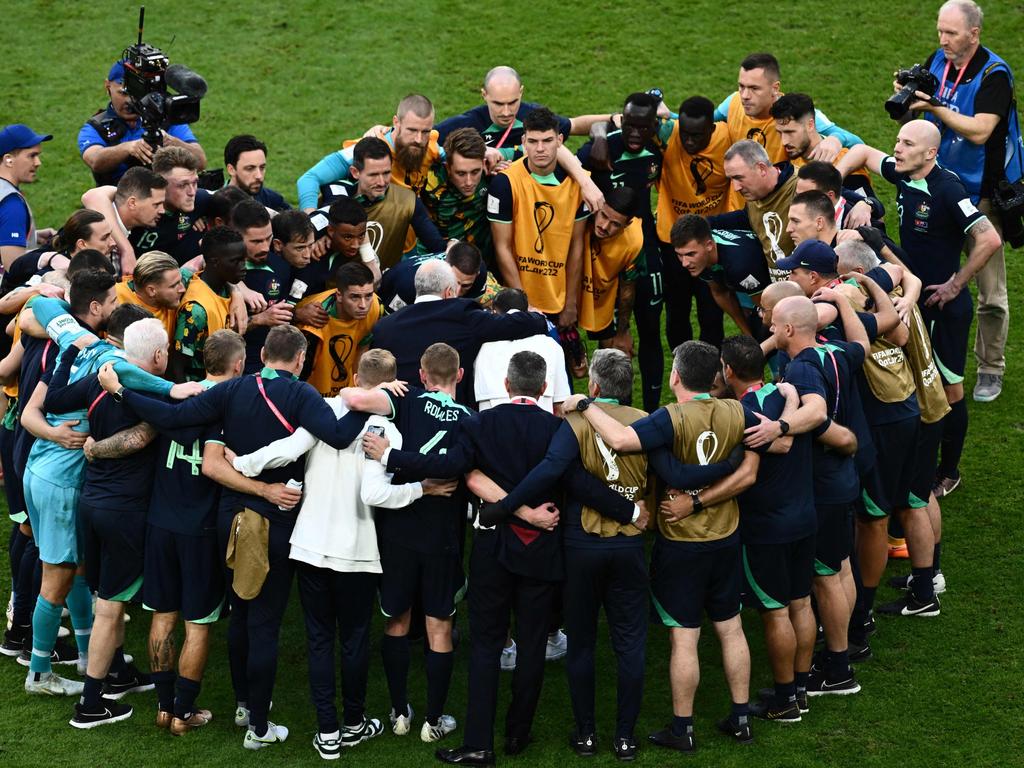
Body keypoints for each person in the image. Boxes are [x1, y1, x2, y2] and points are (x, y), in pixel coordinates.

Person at [94, 324, 394, 750]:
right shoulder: (303, 394)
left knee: (241, 614)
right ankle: (258, 724)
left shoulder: (233, 390)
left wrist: (123, 393)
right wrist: (370, 403)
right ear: (301, 359)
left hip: (228, 517)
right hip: (276, 518)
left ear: (262, 355)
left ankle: (241, 703)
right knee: (266, 624)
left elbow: (173, 417)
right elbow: (343, 436)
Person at [495, 349, 739, 758]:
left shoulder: (574, 422)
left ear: (592, 387)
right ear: (627, 387)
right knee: (630, 644)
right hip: (630, 547)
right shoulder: (647, 421)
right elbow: (672, 475)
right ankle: (625, 737)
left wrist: (505, 506)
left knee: (584, 642)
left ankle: (586, 733)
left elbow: (552, 471)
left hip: (582, 547)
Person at [363, 351, 601, 765]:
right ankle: (517, 734)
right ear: (544, 389)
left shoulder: (479, 423)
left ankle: (478, 742)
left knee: (487, 645)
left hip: (492, 548)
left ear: (506, 386)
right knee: (531, 645)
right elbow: (576, 483)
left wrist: (389, 457)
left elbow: (452, 467)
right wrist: (630, 510)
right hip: (542, 549)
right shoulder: (559, 430)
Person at [230, 349, 454, 758]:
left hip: (310, 547)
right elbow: (375, 493)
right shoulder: (388, 429)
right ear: (394, 385)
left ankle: (328, 732)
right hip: (358, 554)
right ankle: (353, 723)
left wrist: (242, 463)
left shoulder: (323, 410)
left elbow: (284, 450)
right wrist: (422, 488)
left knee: (319, 641)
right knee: (352, 642)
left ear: (354, 376)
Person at [562, 341, 760, 752]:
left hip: (681, 544)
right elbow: (776, 440)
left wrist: (583, 403)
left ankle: (682, 728)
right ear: (717, 377)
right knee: (731, 627)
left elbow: (618, 439)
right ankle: (741, 717)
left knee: (685, 638)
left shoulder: (668, 418)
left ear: (675, 376)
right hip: (726, 538)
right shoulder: (738, 412)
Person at [19, 281, 194, 698]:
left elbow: (41, 306)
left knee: (78, 570)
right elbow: (134, 376)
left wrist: (49, 290)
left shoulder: (81, 342)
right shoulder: (115, 362)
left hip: (40, 469)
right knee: (56, 578)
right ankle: (40, 672)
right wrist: (173, 389)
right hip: (62, 481)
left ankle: (87, 656)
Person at [837, 120, 1001, 498]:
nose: (897, 148)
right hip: (911, 296)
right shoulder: (904, 173)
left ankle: (949, 470)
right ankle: (916, 461)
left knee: (949, 389)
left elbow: (989, 237)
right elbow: (861, 152)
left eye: (907, 144)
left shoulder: (947, 189)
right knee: (917, 382)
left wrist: (956, 284)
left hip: (944, 308)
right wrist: (837, 178)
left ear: (930, 153)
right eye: (897, 140)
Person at [43, 317, 170, 728]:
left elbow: (55, 401)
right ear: (157, 355)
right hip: (124, 511)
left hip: (92, 504)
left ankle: (116, 673)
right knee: (111, 608)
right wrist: (98, 450)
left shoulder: (103, 376)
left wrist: (64, 354)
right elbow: (141, 437)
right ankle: (91, 703)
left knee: (104, 596)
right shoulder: (148, 394)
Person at [747, 295, 867, 696]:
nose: (767, 327)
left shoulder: (800, 367)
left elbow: (815, 414)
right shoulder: (833, 352)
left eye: (772, 322)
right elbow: (863, 347)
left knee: (827, 577)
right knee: (841, 566)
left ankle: (837, 667)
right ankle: (846, 649)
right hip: (843, 478)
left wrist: (780, 427)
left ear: (788, 330)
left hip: (824, 483)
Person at [908, 0, 1022, 402]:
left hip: (982, 195)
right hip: (939, 189)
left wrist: (936, 105)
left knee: (990, 292)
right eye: (940, 31)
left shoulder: (995, 74)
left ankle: (991, 368)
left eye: (951, 33)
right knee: (925, 275)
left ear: (974, 34)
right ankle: (924, 354)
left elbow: (980, 131)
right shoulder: (938, 60)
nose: (943, 41)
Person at [141, 329, 246, 736]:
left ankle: (164, 707)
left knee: (163, 614)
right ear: (238, 365)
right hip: (199, 529)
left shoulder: (177, 394)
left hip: (160, 520)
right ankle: (184, 713)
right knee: (197, 624)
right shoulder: (233, 406)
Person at [719, 336, 815, 723]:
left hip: (766, 529)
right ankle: (802, 689)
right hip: (805, 518)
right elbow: (787, 439)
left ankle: (785, 699)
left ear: (728, 371)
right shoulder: (791, 396)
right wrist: (790, 407)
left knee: (775, 613)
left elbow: (769, 449)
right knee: (802, 604)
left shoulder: (740, 413)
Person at [580, 92, 672, 410]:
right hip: (604, 252)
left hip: (645, 249)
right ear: (621, 119)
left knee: (649, 329)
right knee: (609, 337)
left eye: (643, 127)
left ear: (654, 126)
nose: (635, 134)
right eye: (629, 125)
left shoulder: (659, 149)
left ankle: (648, 410)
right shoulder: (602, 150)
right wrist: (599, 133)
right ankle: (610, 408)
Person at [371, 260, 548, 405]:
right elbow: (511, 324)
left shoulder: (384, 328)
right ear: (449, 292)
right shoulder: (462, 314)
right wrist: (538, 318)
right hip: (453, 418)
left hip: (399, 418)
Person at [710, 52, 862, 209]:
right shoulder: (734, 102)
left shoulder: (796, 117)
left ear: (775, 88)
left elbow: (858, 143)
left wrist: (836, 138)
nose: (745, 95)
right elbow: (704, 120)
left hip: (774, 215)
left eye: (754, 88)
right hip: (738, 211)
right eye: (741, 86)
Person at [488, 107, 589, 327]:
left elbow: (576, 245)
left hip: (559, 299)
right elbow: (502, 247)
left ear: (560, 140)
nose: (540, 149)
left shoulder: (578, 185)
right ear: (523, 141)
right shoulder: (504, 183)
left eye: (547, 140)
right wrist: (522, 304)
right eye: (533, 141)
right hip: (516, 300)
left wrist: (571, 302)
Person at [318, 136, 447, 268]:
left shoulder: (408, 200)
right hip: (333, 287)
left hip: (384, 284)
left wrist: (453, 246)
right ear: (355, 172)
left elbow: (436, 246)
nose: (381, 182)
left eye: (386, 173)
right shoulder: (334, 196)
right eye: (373, 175)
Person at [297, 94, 442, 210]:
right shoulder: (369, 149)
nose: (418, 139)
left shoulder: (432, 147)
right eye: (412, 130)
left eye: (425, 132)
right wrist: (311, 222)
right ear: (396, 122)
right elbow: (309, 178)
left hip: (410, 239)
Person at [77, 60, 205, 186]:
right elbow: (95, 160)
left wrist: (172, 142)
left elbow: (200, 162)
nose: (129, 101)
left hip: (163, 200)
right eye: (123, 93)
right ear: (107, 86)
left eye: (135, 94)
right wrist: (128, 148)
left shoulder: (165, 119)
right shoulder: (96, 127)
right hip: (118, 200)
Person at [434, 66, 609, 153]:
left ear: (521, 92)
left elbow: (575, 125)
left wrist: (618, 118)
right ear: (484, 95)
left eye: (512, 102)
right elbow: (426, 142)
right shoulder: (466, 124)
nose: (506, 112)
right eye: (498, 104)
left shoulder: (533, 116)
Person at [712, 140, 799, 282]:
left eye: (739, 178)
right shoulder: (757, 194)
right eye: (732, 179)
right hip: (779, 290)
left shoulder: (800, 186)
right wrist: (703, 223)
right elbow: (748, 217)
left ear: (762, 169)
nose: (736, 187)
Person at [671, 214, 770, 337]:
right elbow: (721, 293)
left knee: (766, 333)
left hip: (769, 280)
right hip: (744, 278)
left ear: (709, 246)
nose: (684, 263)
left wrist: (760, 342)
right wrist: (748, 335)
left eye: (690, 254)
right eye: (679, 255)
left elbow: (767, 310)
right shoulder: (700, 259)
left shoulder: (739, 265)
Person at [473, 288, 571, 414]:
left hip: (492, 428)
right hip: (542, 428)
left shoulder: (481, 346)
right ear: (526, 310)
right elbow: (560, 406)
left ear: (494, 312)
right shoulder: (551, 345)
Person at [171, 227, 248, 382]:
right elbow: (177, 366)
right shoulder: (195, 310)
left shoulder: (226, 290)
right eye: (235, 261)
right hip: (201, 390)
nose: (243, 266)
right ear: (214, 262)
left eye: (244, 260)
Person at [297, 261, 382, 396]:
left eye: (368, 296)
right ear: (339, 296)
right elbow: (300, 370)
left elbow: (362, 346)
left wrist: (358, 389)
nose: (363, 305)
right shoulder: (315, 316)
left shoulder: (375, 307)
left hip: (345, 390)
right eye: (355, 297)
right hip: (312, 391)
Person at [577, 187, 642, 355]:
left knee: (613, 352)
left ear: (627, 224)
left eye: (615, 224)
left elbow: (628, 289)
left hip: (602, 296)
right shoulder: (581, 214)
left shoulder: (634, 242)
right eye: (604, 216)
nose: (604, 226)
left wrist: (622, 331)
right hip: (567, 289)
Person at [770, 93, 875, 197]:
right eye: (780, 132)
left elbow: (868, 209)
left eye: (790, 132)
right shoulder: (795, 158)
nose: (784, 141)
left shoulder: (845, 163)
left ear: (810, 125)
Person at [79, 166, 169, 275]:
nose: (162, 211)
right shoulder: (95, 227)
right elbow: (92, 196)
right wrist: (127, 250)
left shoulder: (135, 230)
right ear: (132, 203)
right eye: (156, 204)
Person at [420, 128, 493, 260]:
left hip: (482, 257)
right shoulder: (428, 182)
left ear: (483, 163)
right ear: (447, 167)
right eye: (461, 173)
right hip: (435, 255)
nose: (469, 182)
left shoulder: (494, 177)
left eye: (475, 172)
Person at [378, 241, 498, 313]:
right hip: (387, 295)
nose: (457, 292)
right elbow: (393, 325)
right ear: (444, 267)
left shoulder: (480, 271)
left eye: (466, 285)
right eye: (454, 282)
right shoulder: (408, 284)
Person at [300, 196, 380, 295]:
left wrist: (366, 252)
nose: (355, 245)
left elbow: (376, 278)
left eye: (361, 236)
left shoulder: (353, 228)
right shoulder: (311, 231)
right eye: (348, 237)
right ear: (331, 230)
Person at [0, 124, 54, 269]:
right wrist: (49, 256)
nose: (38, 163)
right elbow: (13, 266)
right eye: (32, 156)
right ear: (8, 159)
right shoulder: (10, 203)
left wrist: (32, 237)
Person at [115, 250, 188, 342]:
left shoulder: (171, 295)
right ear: (151, 290)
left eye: (180, 281)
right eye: (174, 286)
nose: (183, 289)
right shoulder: (114, 298)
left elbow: (191, 267)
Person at [224, 134, 290, 211]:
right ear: (231, 169)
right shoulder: (214, 204)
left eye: (262, 167)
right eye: (250, 168)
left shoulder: (273, 201)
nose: (259, 176)